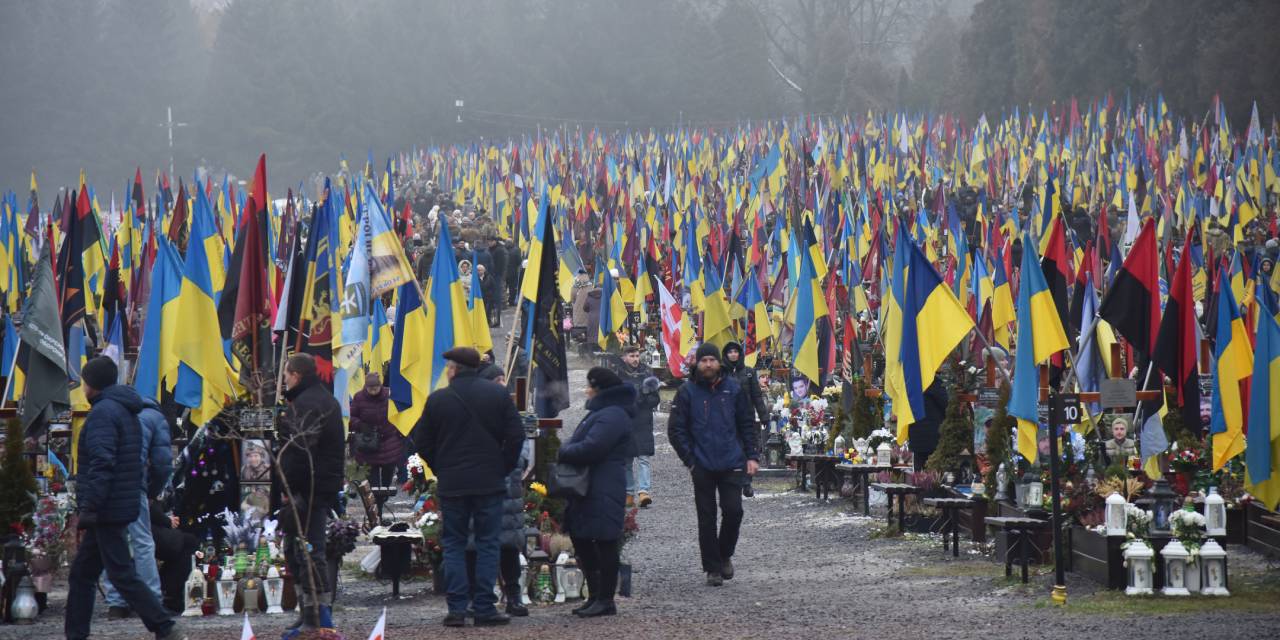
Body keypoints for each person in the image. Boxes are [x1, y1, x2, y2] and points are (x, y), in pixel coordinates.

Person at [65, 357, 184, 640]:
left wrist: (90, 507)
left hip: (106, 508)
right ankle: (76, 634)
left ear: (91, 384)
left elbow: (102, 463)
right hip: (117, 503)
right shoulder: (126, 410)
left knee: (121, 574)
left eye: (84, 380)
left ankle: (164, 626)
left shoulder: (104, 414)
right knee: (83, 574)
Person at [413, 347, 524, 627]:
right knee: (488, 544)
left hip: (453, 483)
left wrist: (441, 467)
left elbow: (421, 440)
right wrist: (503, 467)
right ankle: (484, 607)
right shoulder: (498, 395)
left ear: (454, 369)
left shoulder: (438, 399)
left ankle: (457, 609)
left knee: (454, 545)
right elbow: (516, 435)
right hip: (489, 481)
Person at [667, 343, 759, 587]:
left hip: (731, 461)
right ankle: (712, 568)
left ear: (719, 363)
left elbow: (747, 423)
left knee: (734, 511)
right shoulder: (687, 392)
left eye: (712, 360)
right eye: (704, 360)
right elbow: (676, 430)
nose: (708, 364)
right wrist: (690, 460)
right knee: (706, 517)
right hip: (702, 464)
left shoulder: (734, 389)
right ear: (697, 363)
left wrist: (751, 456)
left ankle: (725, 553)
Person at [556, 367, 637, 618]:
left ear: (599, 389)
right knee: (583, 539)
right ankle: (594, 596)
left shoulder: (611, 415)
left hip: (603, 486)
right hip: (591, 486)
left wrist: (561, 452)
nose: (586, 390)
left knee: (604, 543)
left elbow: (593, 448)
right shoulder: (602, 412)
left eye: (590, 386)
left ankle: (605, 599)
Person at [278, 353, 346, 636]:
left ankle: (316, 613)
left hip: (308, 490)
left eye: (285, 375)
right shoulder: (321, 399)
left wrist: (288, 489)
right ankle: (307, 609)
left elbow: (300, 454)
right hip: (318, 487)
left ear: (296, 375)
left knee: (308, 550)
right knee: (297, 549)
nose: (283, 381)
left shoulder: (307, 405)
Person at [102, 391, 173, 619]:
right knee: (143, 541)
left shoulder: (112, 411)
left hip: (107, 484)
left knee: (113, 541)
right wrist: (152, 491)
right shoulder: (155, 417)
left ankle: (116, 602)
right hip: (134, 485)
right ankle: (151, 600)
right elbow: (162, 463)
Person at [350, 373, 405, 516]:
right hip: (369, 445)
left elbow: (400, 413)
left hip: (389, 442)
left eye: (376, 388)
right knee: (373, 486)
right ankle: (377, 512)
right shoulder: (359, 398)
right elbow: (352, 417)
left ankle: (381, 503)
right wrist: (361, 425)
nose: (374, 391)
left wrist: (400, 431)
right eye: (371, 388)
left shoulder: (389, 395)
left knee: (386, 485)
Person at [613, 345, 660, 507]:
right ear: (624, 357)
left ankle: (644, 492)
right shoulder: (617, 375)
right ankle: (628, 493)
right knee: (626, 459)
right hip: (625, 421)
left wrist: (645, 397)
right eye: (631, 356)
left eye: (637, 356)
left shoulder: (647, 374)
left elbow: (656, 400)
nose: (635, 359)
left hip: (643, 422)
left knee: (643, 458)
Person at [721, 342, 771, 452]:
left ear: (739, 354)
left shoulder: (749, 372)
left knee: (748, 446)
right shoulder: (721, 373)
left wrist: (764, 417)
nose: (733, 354)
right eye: (730, 352)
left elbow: (756, 396)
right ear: (726, 354)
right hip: (726, 417)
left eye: (735, 351)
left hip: (746, 416)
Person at [907, 379, 948, 471]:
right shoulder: (934, 383)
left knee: (919, 473)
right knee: (934, 473)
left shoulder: (912, 381)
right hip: (933, 437)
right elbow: (947, 405)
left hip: (916, 435)